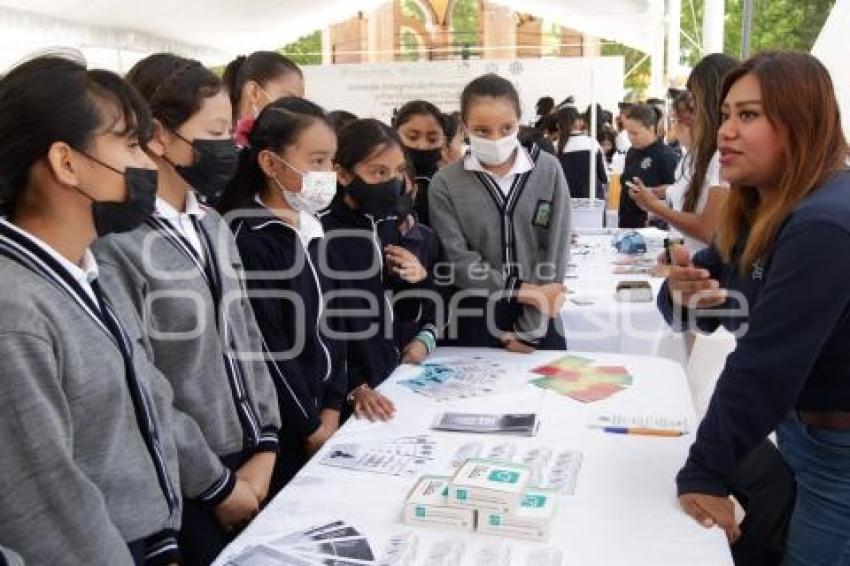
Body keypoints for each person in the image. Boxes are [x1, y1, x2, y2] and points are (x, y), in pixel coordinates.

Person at [659, 51, 850, 565]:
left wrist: (703, 472)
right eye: (724, 115)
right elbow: (702, 300)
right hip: (800, 434)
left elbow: (766, 365)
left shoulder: (824, 224)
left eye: (748, 115)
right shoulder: (763, 208)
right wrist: (681, 293)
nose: (724, 132)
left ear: (801, 121)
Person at [93, 53, 281, 566]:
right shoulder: (116, 244)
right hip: (188, 481)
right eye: (217, 131)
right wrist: (217, 485)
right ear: (157, 138)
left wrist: (266, 444)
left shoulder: (211, 224)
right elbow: (143, 386)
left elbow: (248, 339)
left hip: (252, 459)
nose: (229, 147)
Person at [0, 54, 184, 566]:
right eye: (130, 144)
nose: (149, 163)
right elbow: (46, 500)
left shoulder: (85, 267)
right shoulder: (14, 312)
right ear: (65, 162)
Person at [218, 97, 346, 491]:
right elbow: (266, 346)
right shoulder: (249, 238)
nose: (328, 174)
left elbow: (334, 318)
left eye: (331, 162)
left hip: (326, 413)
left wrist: (334, 403)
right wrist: (309, 425)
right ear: (271, 164)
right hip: (287, 432)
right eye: (317, 161)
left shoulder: (313, 225)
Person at [429, 74, 569, 351]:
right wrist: (525, 292)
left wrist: (531, 329)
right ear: (465, 126)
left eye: (507, 128)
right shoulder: (446, 183)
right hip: (474, 321)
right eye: (482, 131)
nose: (496, 139)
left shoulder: (548, 170)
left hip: (541, 321)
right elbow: (458, 261)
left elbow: (555, 249)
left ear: (520, 121)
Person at [319, 119, 440, 421]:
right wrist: (353, 385)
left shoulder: (387, 224)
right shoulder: (322, 233)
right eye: (378, 172)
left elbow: (406, 310)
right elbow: (320, 326)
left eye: (398, 170)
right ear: (343, 174)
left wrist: (416, 281)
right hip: (348, 399)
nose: (392, 182)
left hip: (391, 378)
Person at [630, 54, 737, 255]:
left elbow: (708, 230)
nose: (692, 110)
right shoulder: (704, 155)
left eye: (695, 98)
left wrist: (655, 206)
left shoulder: (721, 156)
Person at [222, 51, 304, 146]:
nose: (296, 110)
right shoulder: (217, 146)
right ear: (254, 92)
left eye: (300, 103)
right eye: (288, 100)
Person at [618, 103, 679, 228]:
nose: (631, 138)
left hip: (652, 229)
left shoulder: (665, 156)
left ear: (651, 128)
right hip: (627, 225)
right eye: (628, 133)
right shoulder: (631, 152)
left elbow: (675, 196)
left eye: (635, 133)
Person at [393, 100, 446, 226]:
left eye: (432, 139)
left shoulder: (450, 185)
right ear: (394, 135)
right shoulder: (383, 183)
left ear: (444, 141)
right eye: (412, 137)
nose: (422, 146)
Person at [554, 106, 608, 199]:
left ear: (558, 125)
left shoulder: (555, 147)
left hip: (567, 200)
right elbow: (604, 177)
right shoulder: (592, 143)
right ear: (579, 122)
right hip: (593, 200)